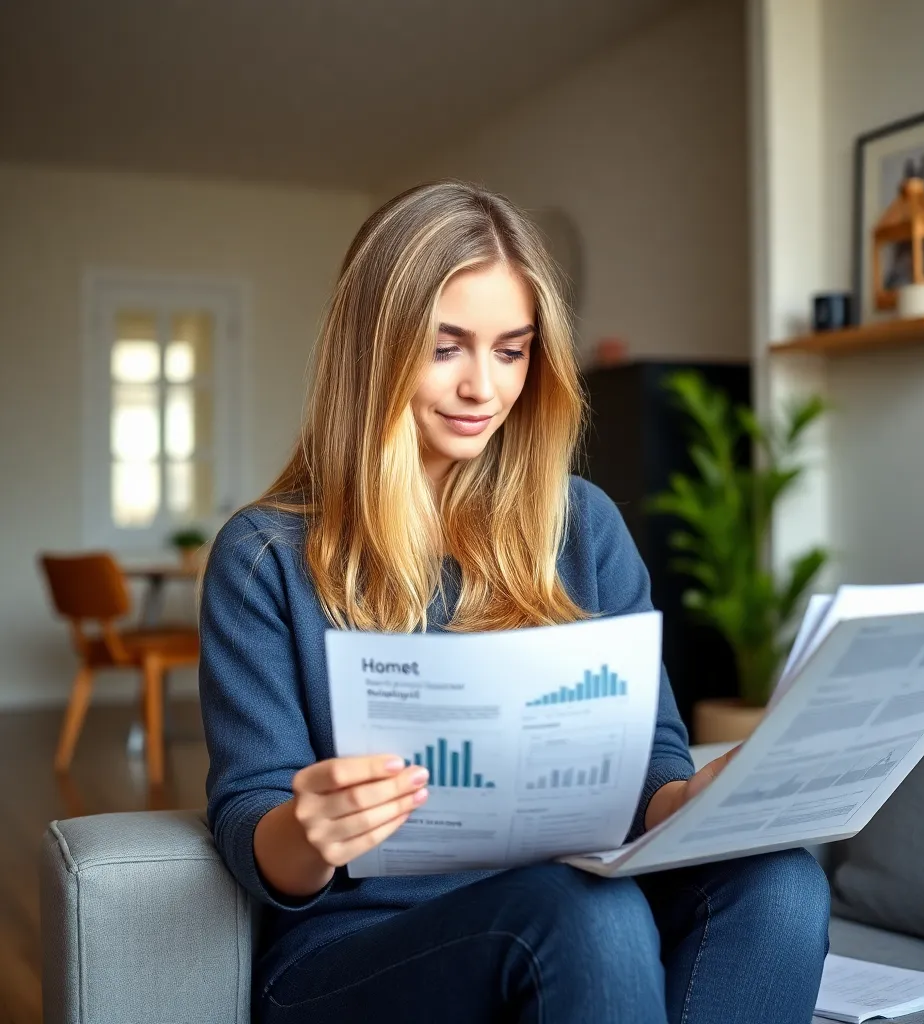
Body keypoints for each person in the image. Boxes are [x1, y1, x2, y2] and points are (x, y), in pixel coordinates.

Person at [199, 180, 830, 1024]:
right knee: (585, 916)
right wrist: (308, 832)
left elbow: (653, 759)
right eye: (446, 347)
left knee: (782, 880)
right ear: (374, 348)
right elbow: (252, 818)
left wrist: (697, 801)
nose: (483, 389)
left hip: (575, 913)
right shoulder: (265, 554)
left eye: (511, 351)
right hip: (357, 950)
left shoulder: (583, 525)